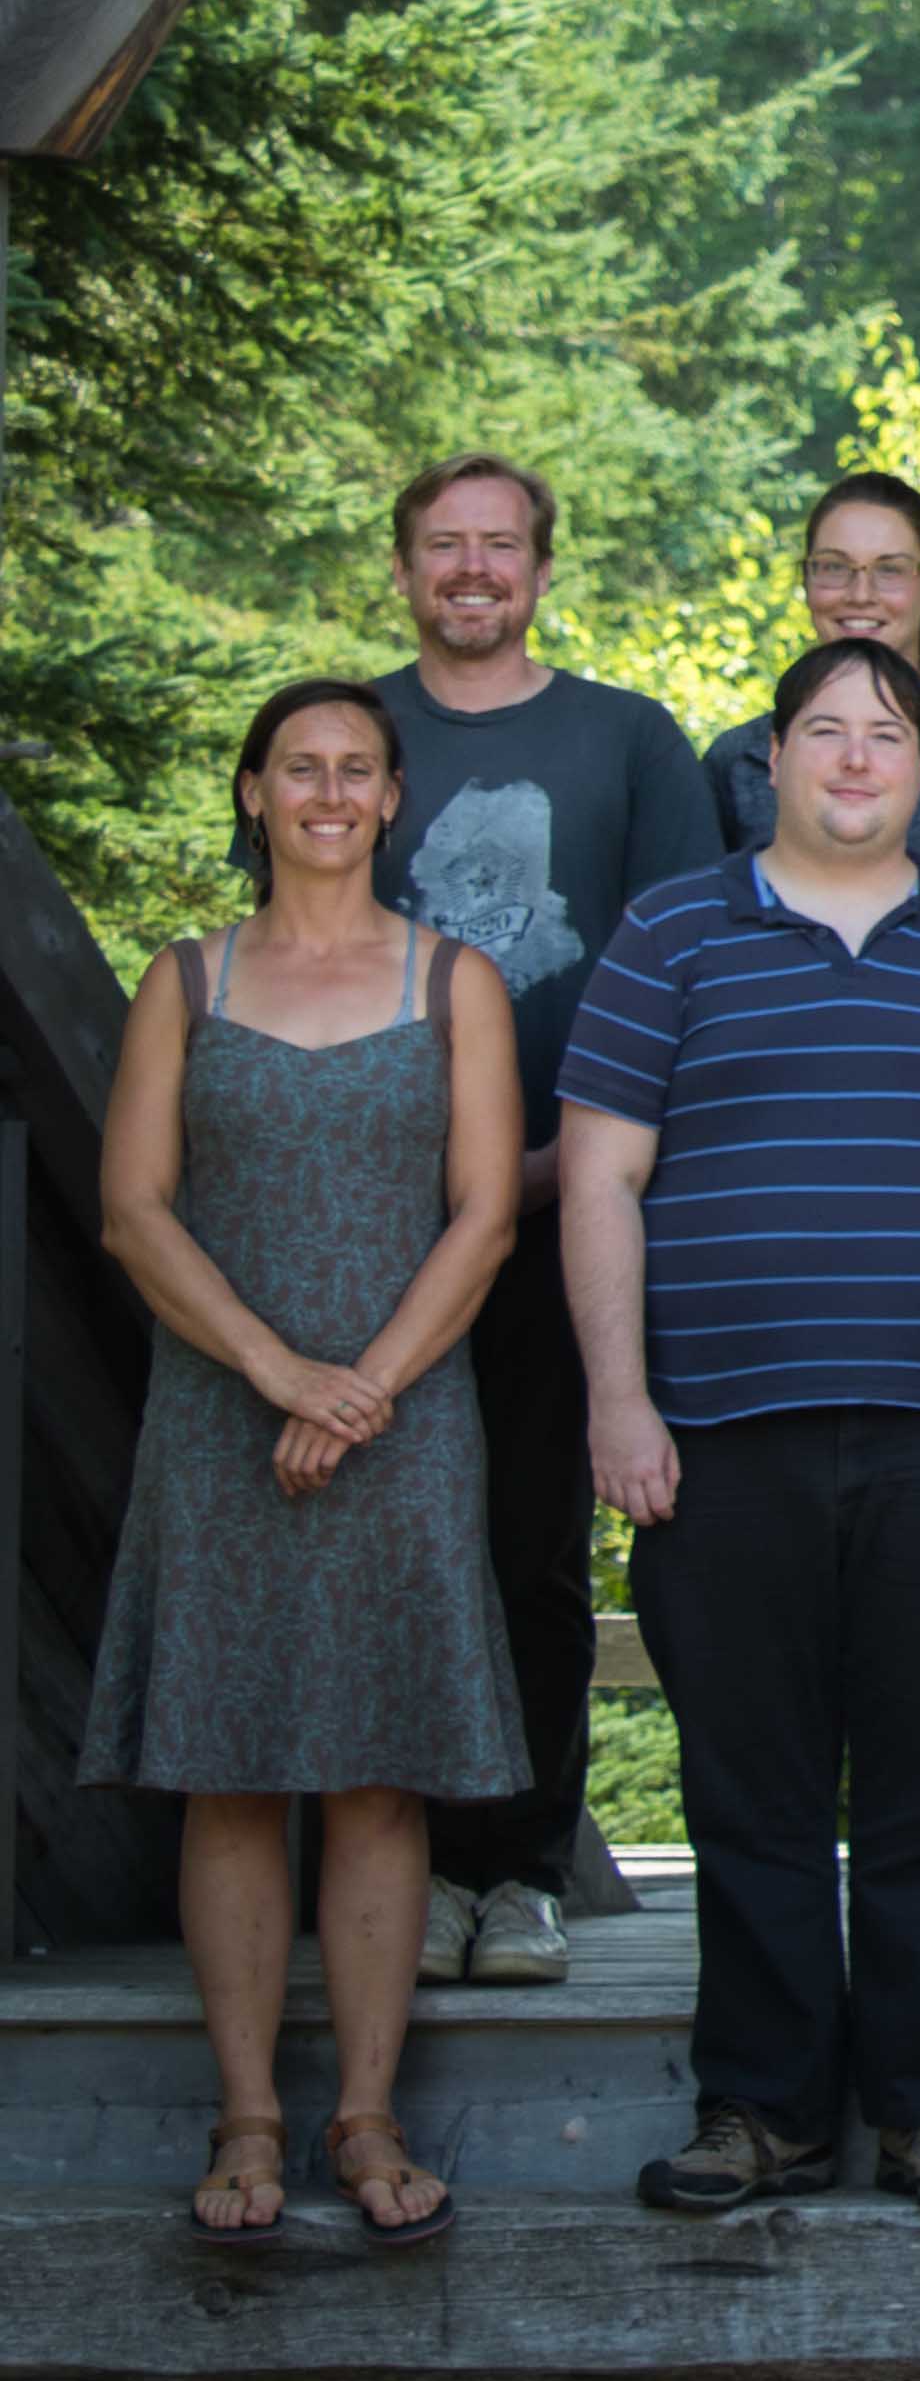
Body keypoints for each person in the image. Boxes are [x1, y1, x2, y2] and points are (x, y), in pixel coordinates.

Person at [563, 640, 920, 2218]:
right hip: (716, 1429)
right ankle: (761, 2107)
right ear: (770, 755)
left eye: (888, 734)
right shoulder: (669, 932)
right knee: (750, 1786)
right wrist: (619, 1397)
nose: (858, 757)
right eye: (826, 731)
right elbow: (598, 1179)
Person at [86, 682, 527, 2249]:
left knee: (376, 1775)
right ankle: (249, 2111)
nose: (329, 791)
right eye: (300, 768)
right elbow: (135, 1207)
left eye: (356, 768)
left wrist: (363, 1389)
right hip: (221, 1417)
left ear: (394, 795)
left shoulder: (454, 977)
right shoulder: (186, 978)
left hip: (407, 1421)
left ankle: (364, 2108)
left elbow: (484, 1213)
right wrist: (282, 1372)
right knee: (227, 1770)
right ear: (255, 791)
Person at [369, 451, 724, 1990]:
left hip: (559, 1208)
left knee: (528, 1546)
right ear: (403, 569)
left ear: (541, 566)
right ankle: (394, 1862)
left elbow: (676, 989)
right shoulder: (350, 734)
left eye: (498, 545)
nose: (471, 568)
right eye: (443, 545)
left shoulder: (627, 740)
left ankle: (516, 1864)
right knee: (383, 1547)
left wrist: (532, 1175)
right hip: (366, 1221)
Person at [696, 470, 920, 867]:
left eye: (890, 570)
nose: (860, 595)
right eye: (833, 567)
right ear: (806, 579)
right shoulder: (738, 760)